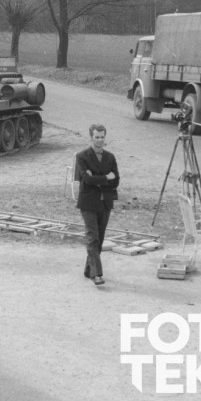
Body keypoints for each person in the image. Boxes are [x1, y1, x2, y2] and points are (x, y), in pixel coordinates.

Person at [75, 123, 120, 287]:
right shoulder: (82, 156)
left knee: (99, 239)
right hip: (88, 203)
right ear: (91, 137)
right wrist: (106, 177)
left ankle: (89, 270)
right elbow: (87, 180)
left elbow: (116, 181)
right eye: (97, 137)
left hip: (105, 203)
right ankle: (97, 274)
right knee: (92, 237)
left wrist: (97, 179)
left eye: (102, 137)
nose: (100, 140)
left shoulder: (110, 157)